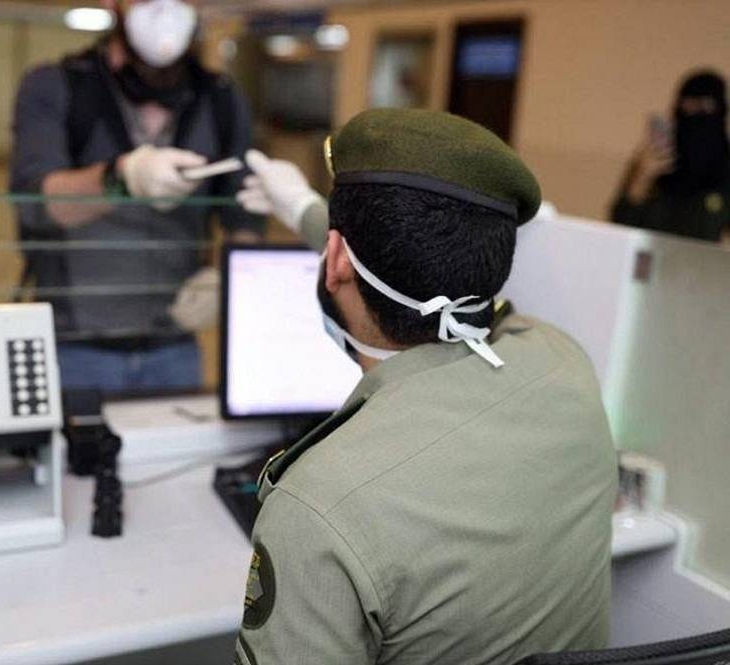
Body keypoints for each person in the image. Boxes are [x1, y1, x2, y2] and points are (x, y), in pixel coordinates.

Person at [232, 109, 617, 665]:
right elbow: (433, 281)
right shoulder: (562, 360)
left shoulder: (317, 506)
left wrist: (322, 220)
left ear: (336, 258)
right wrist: (305, 212)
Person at [9, 0, 261, 395]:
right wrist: (123, 177)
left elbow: (244, 214)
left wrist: (226, 279)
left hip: (175, 347)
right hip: (77, 348)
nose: (164, 8)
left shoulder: (221, 99)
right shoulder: (57, 86)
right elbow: (38, 205)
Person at [611, 70, 729, 242]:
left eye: (705, 106)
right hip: (648, 261)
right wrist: (642, 178)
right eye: (690, 105)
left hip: (698, 265)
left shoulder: (724, 167)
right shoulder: (655, 155)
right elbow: (620, 222)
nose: (696, 114)